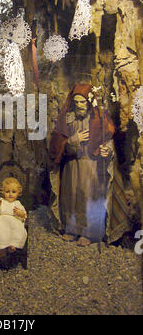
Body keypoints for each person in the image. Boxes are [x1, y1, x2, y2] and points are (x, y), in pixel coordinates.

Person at [49, 83, 115, 246]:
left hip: (91, 165)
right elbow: (58, 144)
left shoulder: (99, 119)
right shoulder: (68, 119)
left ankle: (88, 232)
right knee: (71, 195)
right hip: (72, 164)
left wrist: (106, 149)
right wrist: (74, 140)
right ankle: (71, 229)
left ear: (89, 102)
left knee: (87, 196)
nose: (79, 105)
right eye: (76, 102)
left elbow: (109, 138)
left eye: (82, 102)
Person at [0, 177, 27, 263]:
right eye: (7, 191)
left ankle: (12, 244)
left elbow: (24, 215)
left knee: (17, 230)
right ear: (2, 192)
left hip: (14, 222)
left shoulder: (18, 204)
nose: (10, 194)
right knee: (1, 232)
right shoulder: (1, 201)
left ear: (18, 193)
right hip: (2, 222)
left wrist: (21, 214)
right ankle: (2, 250)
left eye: (13, 192)